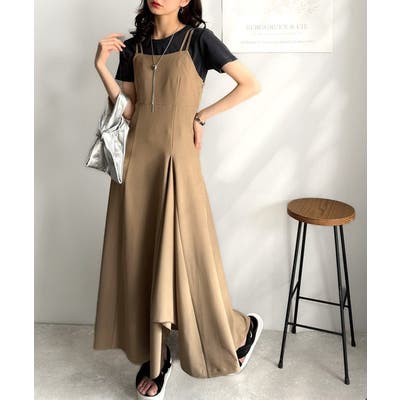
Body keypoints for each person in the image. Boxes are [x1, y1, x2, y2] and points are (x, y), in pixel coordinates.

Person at [92, 1, 262, 399]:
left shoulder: (200, 40)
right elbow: (128, 112)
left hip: (176, 162)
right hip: (136, 164)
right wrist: (101, 68)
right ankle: (156, 356)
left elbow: (250, 84)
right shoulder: (133, 46)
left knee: (191, 254)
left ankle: (238, 329)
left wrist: (200, 117)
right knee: (139, 257)